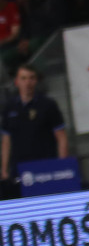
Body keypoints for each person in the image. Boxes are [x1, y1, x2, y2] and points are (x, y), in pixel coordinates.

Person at [0, 64, 68, 198]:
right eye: (23, 78)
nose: (28, 83)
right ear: (16, 82)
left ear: (36, 81)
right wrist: (4, 169)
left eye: (31, 78)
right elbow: (6, 140)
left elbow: (61, 137)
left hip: (46, 167)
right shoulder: (10, 107)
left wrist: (62, 166)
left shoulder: (48, 105)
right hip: (19, 168)